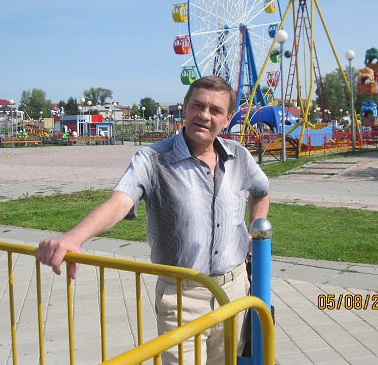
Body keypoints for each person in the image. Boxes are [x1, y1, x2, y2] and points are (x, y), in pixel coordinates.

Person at [37, 75, 269, 364]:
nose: (204, 115)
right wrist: (75, 237)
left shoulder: (239, 157)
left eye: (215, 110)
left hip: (234, 292)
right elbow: (120, 201)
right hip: (183, 297)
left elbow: (261, 191)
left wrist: (255, 231)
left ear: (228, 118)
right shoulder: (153, 159)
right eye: (198, 106)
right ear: (185, 107)